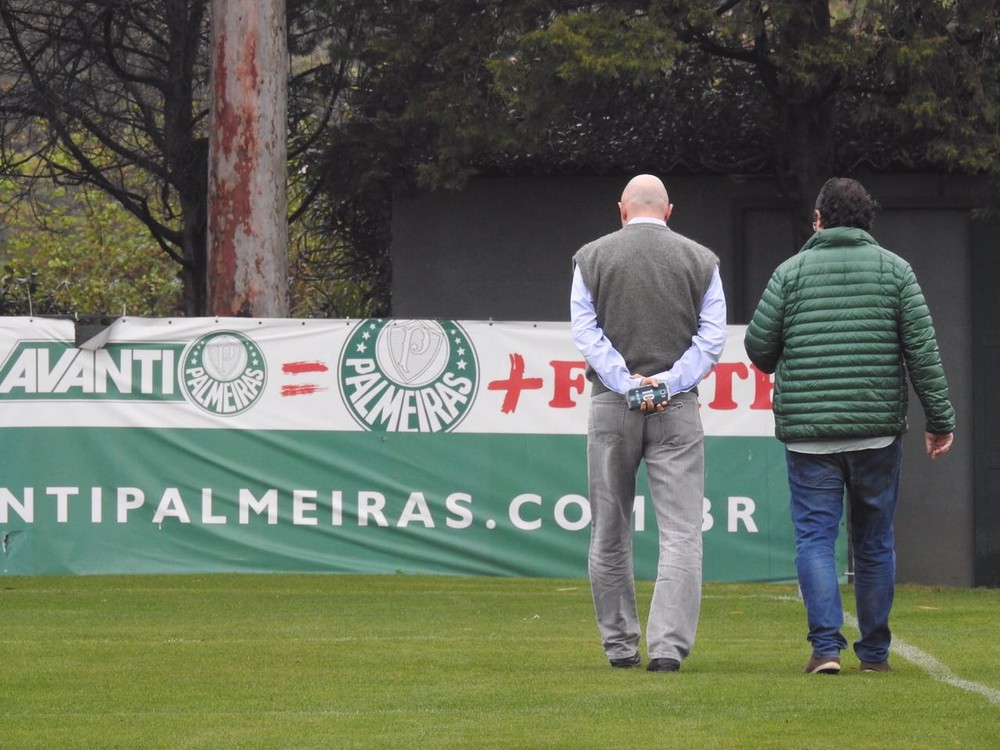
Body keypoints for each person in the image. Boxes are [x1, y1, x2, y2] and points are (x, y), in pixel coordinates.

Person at [744, 177, 955, 675]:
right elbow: (922, 354)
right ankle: (876, 655)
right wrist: (940, 419)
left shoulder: (789, 274)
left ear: (818, 219)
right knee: (874, 541)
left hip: (808, 436)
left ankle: (825, 649)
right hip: (876, 433)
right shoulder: (896, 271)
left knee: (816, 538)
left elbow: (759, 349)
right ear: (868, 221)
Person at [570, 174, 727, 673]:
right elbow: (712, 337)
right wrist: (667, 383)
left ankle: (620, 648)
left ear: (621, 209)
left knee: (609, 531)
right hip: (677, 409)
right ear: (669, 210)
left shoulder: (589, 258)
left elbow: (585, 331)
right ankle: (667, 651)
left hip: (611, 405)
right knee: (681, 533)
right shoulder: (702, 260)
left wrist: (626, 381)